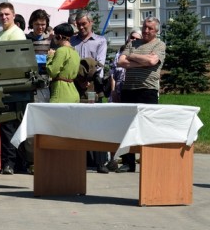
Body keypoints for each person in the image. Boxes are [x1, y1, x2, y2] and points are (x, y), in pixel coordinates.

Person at [117, 17, 166, 173]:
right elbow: (120, 61)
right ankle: (128, 162)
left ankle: (148, 160)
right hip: (129, 89)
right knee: (126, 127)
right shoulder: (132, 43)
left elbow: (152, 62)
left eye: (150, 28)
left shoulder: (159, 44)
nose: (146, 30)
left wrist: (132, 56)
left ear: (156, 30)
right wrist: (141, 60)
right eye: (145, 27)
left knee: (147, 127)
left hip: (147, 90)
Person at [70, 10, 110, 174]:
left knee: (97, 124)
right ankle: (81, 160)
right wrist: (79, 78)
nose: (81, 27)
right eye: (78, 24)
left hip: (93, 86)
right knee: (78, 124)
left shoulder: (100, 41)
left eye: (84, 24)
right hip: (76, 86)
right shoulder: (72, 41)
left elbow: (99, 64)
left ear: (91, 23)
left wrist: (88, 76)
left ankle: (101, 162)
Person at [0, 2, 26, 175]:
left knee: (10, 128)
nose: (4, 17)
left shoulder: (16, 34)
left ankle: (11, 164)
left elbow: (16, 61)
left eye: (7, 14)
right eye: (1, 15)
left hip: (13, 86)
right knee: (6, 128)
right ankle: (10, 163)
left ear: (13, 15)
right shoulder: (0, 35)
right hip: (2, 86)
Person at [46, 23, 81, 103]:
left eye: (55, 35)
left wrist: (50, 57)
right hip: (73, 91)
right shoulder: (75, 52)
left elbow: (52, 72)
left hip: (61, 93)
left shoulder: (61, 51)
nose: (54, 38)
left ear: (60, 37)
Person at [109, 30, 142, 103]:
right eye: (132, 37)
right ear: (128, 38)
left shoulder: (142, 55)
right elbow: (113, 74)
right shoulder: (119, 54)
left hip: (133, 92)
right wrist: (113, 91)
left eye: (137, 39)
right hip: (118, 91)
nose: (134, 40)